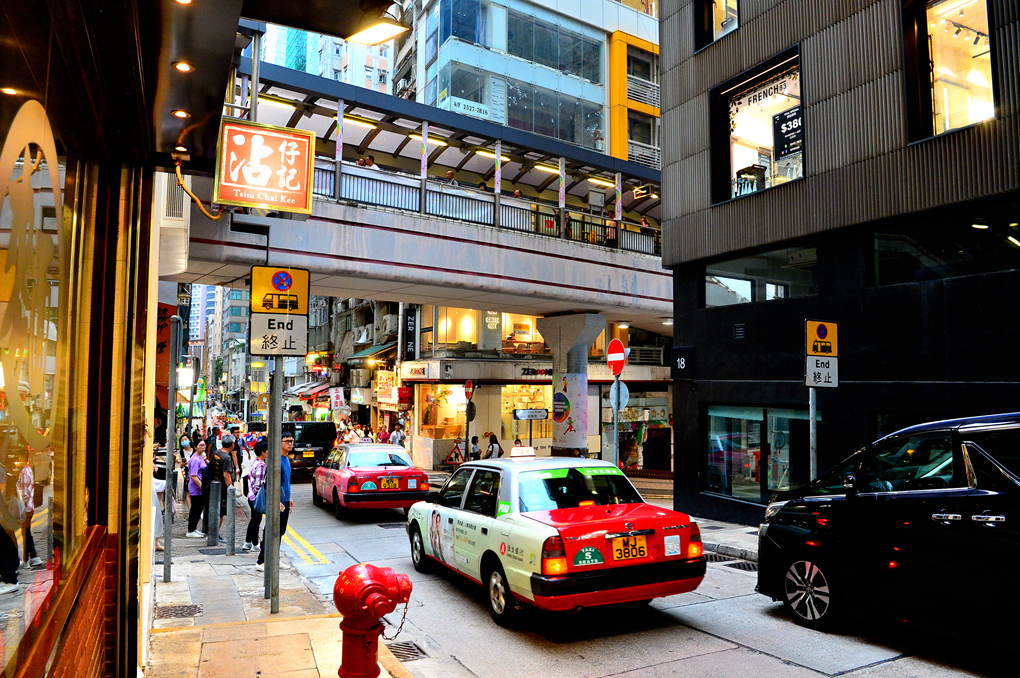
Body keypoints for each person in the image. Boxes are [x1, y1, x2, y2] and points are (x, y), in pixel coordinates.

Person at [257, 432, 295, 572]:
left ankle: (274, 558)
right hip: (278, 502)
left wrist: (289, 498)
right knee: (271, 530)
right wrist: (276, 501)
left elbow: (285, 483)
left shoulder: (286, 459)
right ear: (280, 442)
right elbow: (270, 483)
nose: (290, 443)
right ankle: (261, 561)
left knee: (279, 532)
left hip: (285, 501)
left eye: (291, 441)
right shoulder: (276, 461)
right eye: (287, 441)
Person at [207, 435, 235, 542]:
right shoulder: (226, 458)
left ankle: (212, 533)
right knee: (220, 513)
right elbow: (226, 475)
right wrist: (230, 489)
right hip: (222, 488)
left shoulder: (216, 453)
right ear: (232, 445)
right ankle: (215, 535)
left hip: (213, 485)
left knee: (215, 511)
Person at [243, 440, 268, 552]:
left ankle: (247, 543)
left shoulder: (255, 462)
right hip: (256, 497)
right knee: (256, 521)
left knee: (254, 520)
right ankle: (254, 544)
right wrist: (260, 497)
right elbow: (258, 484)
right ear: (263, 452)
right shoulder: (261, 465)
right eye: (267, 450)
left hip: (251, 496)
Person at [17, 452, 41, 568]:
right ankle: (33, 558)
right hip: (30, 507)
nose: (18, 462)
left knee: (25, 533)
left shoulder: (23, 473)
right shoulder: (29, 470)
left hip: (26, 508)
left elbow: (24, 494)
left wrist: (21, 506)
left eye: (19, 459)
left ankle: (27, 560)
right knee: (26, 532)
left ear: (23, 459)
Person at [186, 441, 208, 537]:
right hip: (196, 488)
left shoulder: (200, 457)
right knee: (195, 509)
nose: (203, 447)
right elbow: (193, 476)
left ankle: (194, 528)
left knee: (198, 509)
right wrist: (202, 486)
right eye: (200, 445)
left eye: (204, 445)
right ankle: (191, 530)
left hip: (200, 488)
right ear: (195, 447)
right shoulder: (195, 459)